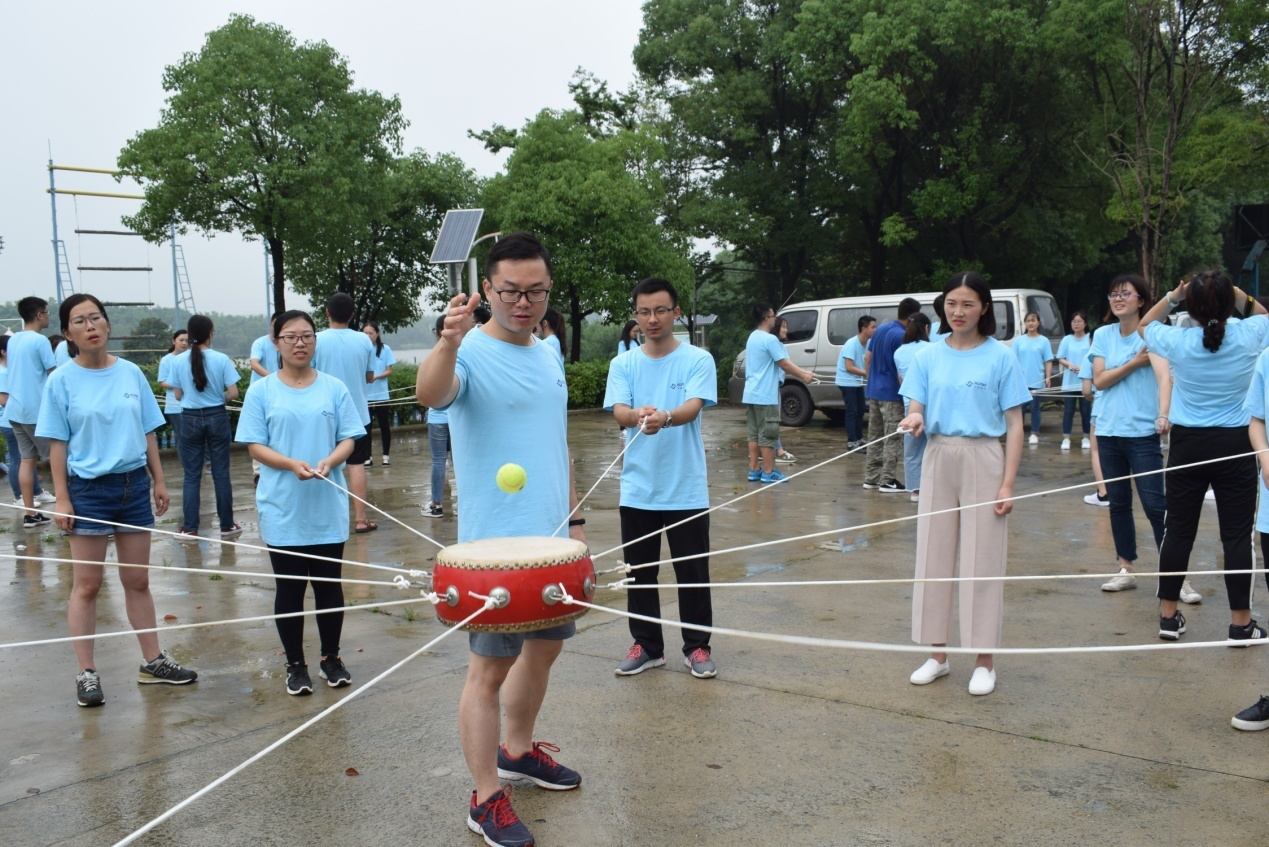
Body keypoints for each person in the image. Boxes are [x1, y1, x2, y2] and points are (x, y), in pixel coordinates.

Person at [415, 232, 586, 847]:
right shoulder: (468, 353)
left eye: (536, 292)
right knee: (488, 670)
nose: (523, 303)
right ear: (487, 289)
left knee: (544, 651)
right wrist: (447, 341)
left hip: (552, 544)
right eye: (510, 291)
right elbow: (430, 393)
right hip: (492, 555)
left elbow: (555, 443)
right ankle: (485, 797)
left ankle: (517, 751)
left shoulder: (549, 351)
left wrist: (575, 524)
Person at [37, 293, 197, 707]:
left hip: (133, 487)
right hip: (88, 491)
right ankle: (86, 672)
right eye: (79, 321)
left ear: (107, 324)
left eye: (96, 318)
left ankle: (153, 662)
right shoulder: (61, 381)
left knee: (137, 580)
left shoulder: (130, 373)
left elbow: (147, 430)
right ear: (67, 333)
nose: (90, 326)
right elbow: (57, 445)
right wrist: (62, 499)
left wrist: (158, 481)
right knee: (88, 585)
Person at [900, 272, 1029, 696]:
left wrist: (1007, 484)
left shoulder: (1001, 356)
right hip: (938, 453)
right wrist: (914, 417)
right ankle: (937, 654)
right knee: (932, 555)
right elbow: (916, 406)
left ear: (984, 308)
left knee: (983, 559)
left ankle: (984, 661)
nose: (958, 311)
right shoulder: (927, 356)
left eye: (968, 304)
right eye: (952, 303)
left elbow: (1015, 425)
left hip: (984, 456)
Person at [236, 309, 365, 695]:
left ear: (315, 341)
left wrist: (331, 460)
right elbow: (254, 445)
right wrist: (291, 464)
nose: (299, 343)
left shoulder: (333, 388)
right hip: (283, 505)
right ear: (275, 343)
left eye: (307, 335)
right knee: (290, 589)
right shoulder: (262, 391)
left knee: (329, 586)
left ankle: (331, 658)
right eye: (290, 337)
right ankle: (295, 664)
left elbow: (349, 438)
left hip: (326, 504)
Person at [1140, 271, 1269, 641]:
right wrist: (1239, 294)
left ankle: (1168, 618)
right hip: (1236, 444)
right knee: (1237, 537)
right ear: (1229, 304)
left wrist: (1174, 296)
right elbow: (1264, 315)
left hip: (1187, 445)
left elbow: (1145, 324)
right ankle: (1241, 624)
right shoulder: (1249, 333)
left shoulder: (1178, 340)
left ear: (1191, 307)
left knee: (1178, 531)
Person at [605, 277, 718, 679]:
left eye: (660, 311)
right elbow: (619, 410)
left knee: (692, 572)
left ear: (676, 313)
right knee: (639, 573)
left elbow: (693, 406)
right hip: (638, 488)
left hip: (686, 487)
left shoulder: (697, 359)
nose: (652, 319)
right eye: (644, 312)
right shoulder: (623, 364)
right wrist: (636, 415)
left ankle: (697, 647)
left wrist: (665, 417)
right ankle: (647, 647)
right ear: (635, 315)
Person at [1089, 275, 1177, 595]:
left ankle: (1176, 574)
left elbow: (1165, 377)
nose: (1118, 298)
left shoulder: (1152, 333)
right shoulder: (1103, 334)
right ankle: (1125, 567)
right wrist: (1134, 362)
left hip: (1142, 433)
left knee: (1155, 505)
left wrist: (1164, 414)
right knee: (1118, 504)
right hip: (1109, 431)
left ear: (1142, 300)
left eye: (1126, 293)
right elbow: (1100, 380)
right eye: (1113, 294)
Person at [170, 314, 242, 541]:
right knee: (221, 473)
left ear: (190, 335)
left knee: (192, 475)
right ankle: (227, 525)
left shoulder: (178, 361)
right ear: (211, 334)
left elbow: (178, 395)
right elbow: (233, 393)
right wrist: (217, 397)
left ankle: (190, 528)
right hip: (217, 416)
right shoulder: (221, 359)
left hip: (189, 418)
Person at [313, 293, 377, 533]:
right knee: (356, 464)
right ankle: (360, 519)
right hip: (357, 414)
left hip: (324, 414)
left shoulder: (316, 340)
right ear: (352, 315)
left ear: (327, 313)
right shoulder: (364, 340)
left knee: (325, 464)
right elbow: (369, 376)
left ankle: (327, 518)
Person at [1, 296, 57, 530]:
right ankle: (69, 512)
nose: (48, 316)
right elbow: (54, 373)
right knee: (58, 458)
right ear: (39, 314)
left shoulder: (14, 340)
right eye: (47, 312)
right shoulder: (40, 341)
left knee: (26, 460)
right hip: (37, 411)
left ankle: (30, 514)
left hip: (15, 410)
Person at [742, 303, 813, 484]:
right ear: (767, 319)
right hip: (766, 395)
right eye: (773, 316)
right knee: (768, 435)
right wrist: (804, 375)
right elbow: (784, 364)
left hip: (751, 394)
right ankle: (769, 472)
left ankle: (754, 470)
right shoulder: (770, 340)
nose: (775, 319)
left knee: (754, 434)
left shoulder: (752, 336)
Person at [864, 297, 921, 492]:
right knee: (893, 437)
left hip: (874, 391)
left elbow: (868, 358)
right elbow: (900, 369)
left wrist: (870, 382)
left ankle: (871, 478)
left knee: (874, 437)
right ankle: (887, 480)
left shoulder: (880, 329)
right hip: (892, 394)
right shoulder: (901, 336)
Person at [0, 336, 53, 509]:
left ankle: (35, 493)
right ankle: (19, 496)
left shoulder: (10, 370)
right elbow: (3, 399)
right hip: (12, 421)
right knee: (19, 459)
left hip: (17, 418)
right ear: (3, 352)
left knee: (28, 458)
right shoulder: (2, 372)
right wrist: (23, 400)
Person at [893, 314, 932, 503]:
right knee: (934, 446)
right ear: (927, 328)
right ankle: (934, 486)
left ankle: (915, 490)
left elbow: (902, 381)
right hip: (931, 405)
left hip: (910, 406)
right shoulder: (931, 349)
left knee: (912, 449)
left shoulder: (899, 352)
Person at [422, 315, 452, 519]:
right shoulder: (462, 351)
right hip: (456, 418)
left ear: (439, 331)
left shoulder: (436, 354)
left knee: (439, 461)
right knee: (459, 462)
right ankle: (463, 504)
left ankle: (436, 504)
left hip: (437, 417)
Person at [1012, 312, 1054, 445]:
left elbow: (1048, 360)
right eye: (1028, 321)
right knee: (1020, 408)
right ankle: (1018, 432)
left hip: (1037, 379)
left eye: (1033, 320)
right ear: (1025, 323)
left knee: (1035, 408)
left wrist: (1048, 377)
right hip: (1021, 381)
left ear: (1038, 323)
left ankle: (1034, 433)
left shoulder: (1044, 341)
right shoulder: (1019, 341)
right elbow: (1012, 360)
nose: (1030, 323)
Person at [836, 315, 875, 450]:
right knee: (852, 411)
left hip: (857, 381)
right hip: (846, 381)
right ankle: (852, 443)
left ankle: (859, 439)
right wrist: (868, 374)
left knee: (861, 410)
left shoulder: (868, 343)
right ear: (864, 329)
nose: (875, 330)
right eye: (873, 327)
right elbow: (849, 367)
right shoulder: (852, 343)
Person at [247, 316, 279, 484]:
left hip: (281, 394)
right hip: (261, 395)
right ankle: (258, 473)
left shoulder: (289, 343)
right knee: (259, 434)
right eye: (275, 324)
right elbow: (254, 364)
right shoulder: (260, 343)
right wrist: (274, 379)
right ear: (270, 325)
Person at [1056, 312, 1092, 451]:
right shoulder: (1066, 339)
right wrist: (1069, 364)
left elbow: (1094, 357)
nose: (1076, 324)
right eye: (1074, 321)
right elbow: (1060, 358)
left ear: (1085, 323)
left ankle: (1086, 437)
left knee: (1086, 410)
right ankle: (1066, 438)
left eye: (1079, 321)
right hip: (1069, 382)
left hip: (1085, 382)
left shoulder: (1090, 338)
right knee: (1068, 410)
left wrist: (1084, 367)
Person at [1080, 346, 1111, 507]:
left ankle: (1103, 493)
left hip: (1101, 409)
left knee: (1096, 450)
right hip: (1127, 411)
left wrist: (1090, 396)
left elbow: (1086, 390)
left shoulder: (1091, 355)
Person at [362, 321, 396, 467]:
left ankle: (386, 456)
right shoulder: (360, 350)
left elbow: (389, 371)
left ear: (377, 334)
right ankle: (367, 457)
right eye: (365, 333)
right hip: (365, 395)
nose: (368, 336)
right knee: (366, 427)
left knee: (384, 426)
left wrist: (375, 377)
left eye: (371, 333)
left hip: (381, 395)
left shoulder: (385, 349)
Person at [157, 330, 189, 455]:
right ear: (174, 341)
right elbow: (162, 382)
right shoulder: (166, 360)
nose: (184, 343)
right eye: (181, 340)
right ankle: (185, 462)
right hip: (174, 406)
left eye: (187, 341)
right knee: (182, 435)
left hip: (192, 404)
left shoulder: (191, 358)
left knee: (194, 435)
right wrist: (180, 385)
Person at [771, 317, 797, 464]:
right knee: (773, 421)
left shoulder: (779, 345)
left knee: (771, 421)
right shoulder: (773, 344)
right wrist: (804, 375)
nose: (786, 330)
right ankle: (778, 451)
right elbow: (786, 365)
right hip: (771, 389)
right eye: (783, 327)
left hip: (775, 387)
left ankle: (767, 451)